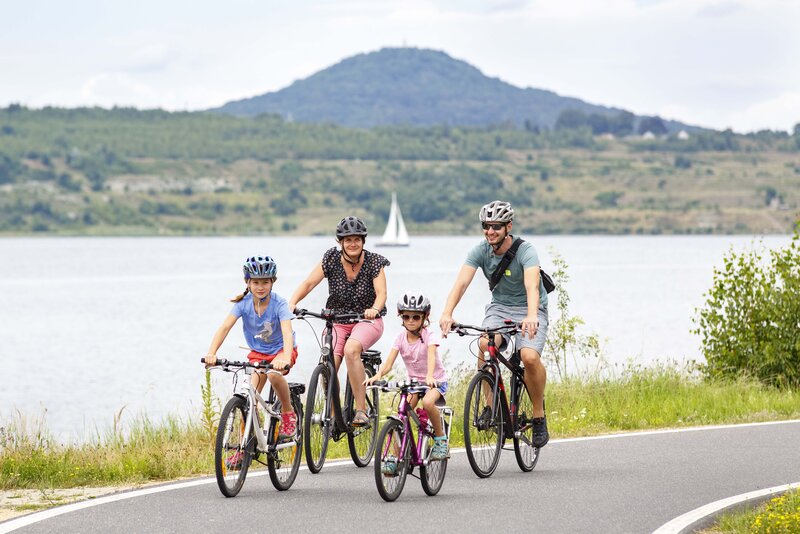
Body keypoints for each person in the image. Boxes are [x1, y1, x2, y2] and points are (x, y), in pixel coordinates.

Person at [439, 200, 550, 447]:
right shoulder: (480, 251)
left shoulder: (526, 251)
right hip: (499, 308)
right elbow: (461, 284)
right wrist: (447, 312)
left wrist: (532, 315)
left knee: (530, 357)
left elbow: (532, 286)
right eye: (486, 226)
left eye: (496, 226)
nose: (490, 231)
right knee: (484, 344)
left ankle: (539, 416)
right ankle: (490, 407)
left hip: (532, 308)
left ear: (508, 226)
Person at [289, 216, 389, 427]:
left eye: (357, 239)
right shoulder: (330, 260)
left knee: (352, 350)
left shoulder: (374, 262)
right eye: (347, 240)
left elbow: (381, 293)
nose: (352, 244)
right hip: (337, 320)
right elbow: (309, 283)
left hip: (367, 320)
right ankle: (334, 414)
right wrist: (292, 302)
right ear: (340, 242)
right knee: (329, 362)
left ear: (363, 241)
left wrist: (374, 309)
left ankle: (361, 410)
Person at [204, 255, 299, 440]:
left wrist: (286, 358)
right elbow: (224, 328)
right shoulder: (243, 304)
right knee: (249, 400)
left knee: (273, 374)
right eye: (255, 282)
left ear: (273, 282)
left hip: (281, 351)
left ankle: (288, 413)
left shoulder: (279, 304)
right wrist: (211, 352)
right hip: (258, 354)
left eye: (265, 282)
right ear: (247, 282)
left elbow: (287, 333)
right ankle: (244, 446)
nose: (260, 287)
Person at [366, 292, 449, 462]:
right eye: (406, 316)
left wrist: (429, 376)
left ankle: (441, 441)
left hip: (435, 381)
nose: (411, 320)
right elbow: (389, 363)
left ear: (425, 317)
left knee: (427, 402)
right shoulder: (400, 337)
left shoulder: (429, 336)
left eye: (416, 317)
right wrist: (378, 375)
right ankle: (397, 456)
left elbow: (432, 356)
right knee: (401, 412)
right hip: (414, 383)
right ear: (401, 317)